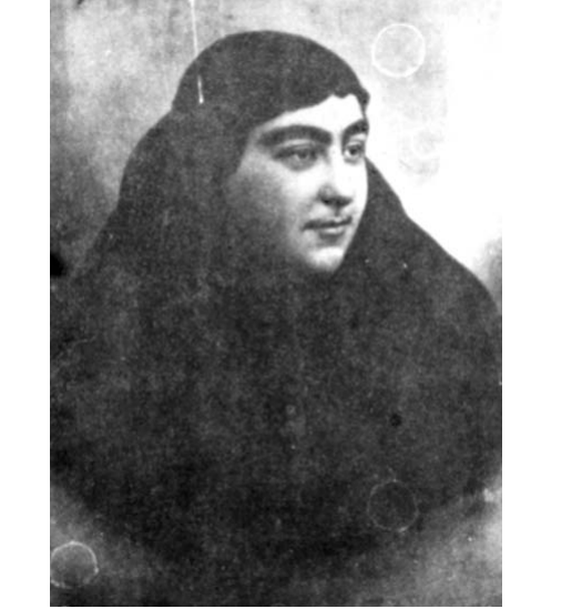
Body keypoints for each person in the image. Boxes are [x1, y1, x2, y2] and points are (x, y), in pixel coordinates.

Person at [51, 30, 501, 605]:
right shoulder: (109, 349)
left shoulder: (442, 330)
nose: (342, 189)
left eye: (354, 149)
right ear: (209, 168)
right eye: (300, 154)